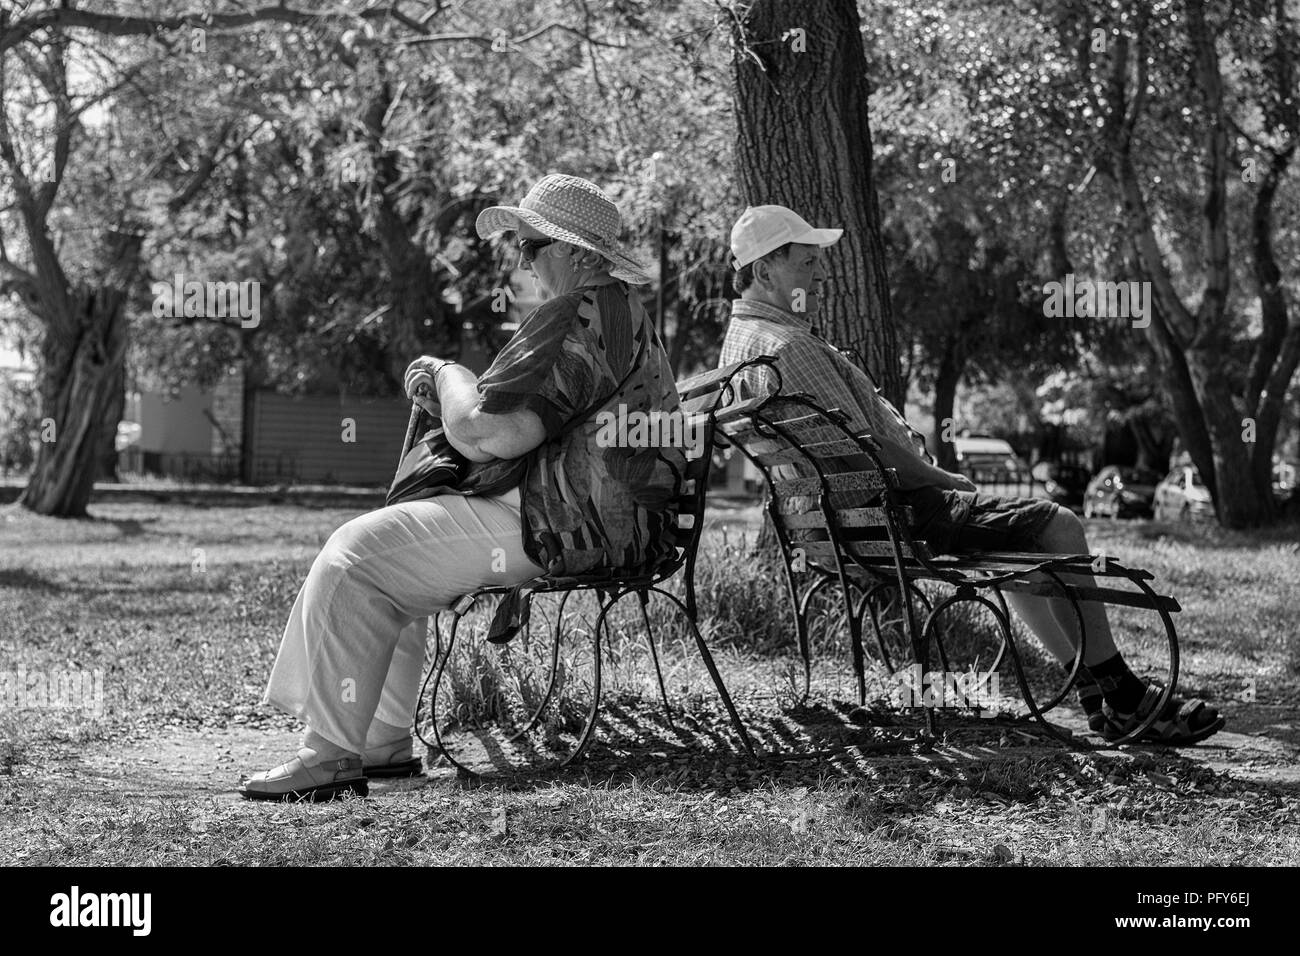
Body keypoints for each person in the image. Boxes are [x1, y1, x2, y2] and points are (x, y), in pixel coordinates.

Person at [240, 174, 685, 800]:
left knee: (354, 558)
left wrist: (447, 373)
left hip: (562, 521)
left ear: (580, 253)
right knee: (387, 565)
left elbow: (488, 433)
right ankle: (380, 744)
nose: (522, 261)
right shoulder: (623, 314)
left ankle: (331, 755)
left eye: (532, 247)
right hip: (608, 520)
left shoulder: (576, 314)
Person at [717, 204, 1225, 745]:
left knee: (1022, 543)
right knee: (1058, 526)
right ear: (764, 271)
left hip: (842, 525)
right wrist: (940, 479)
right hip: (899, 516)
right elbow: (872, 449)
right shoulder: (791, 346)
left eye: (821, 263)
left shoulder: (745, 341)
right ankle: (1121, 693)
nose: (821, 275)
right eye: (806, 263)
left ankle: (1096, 689)